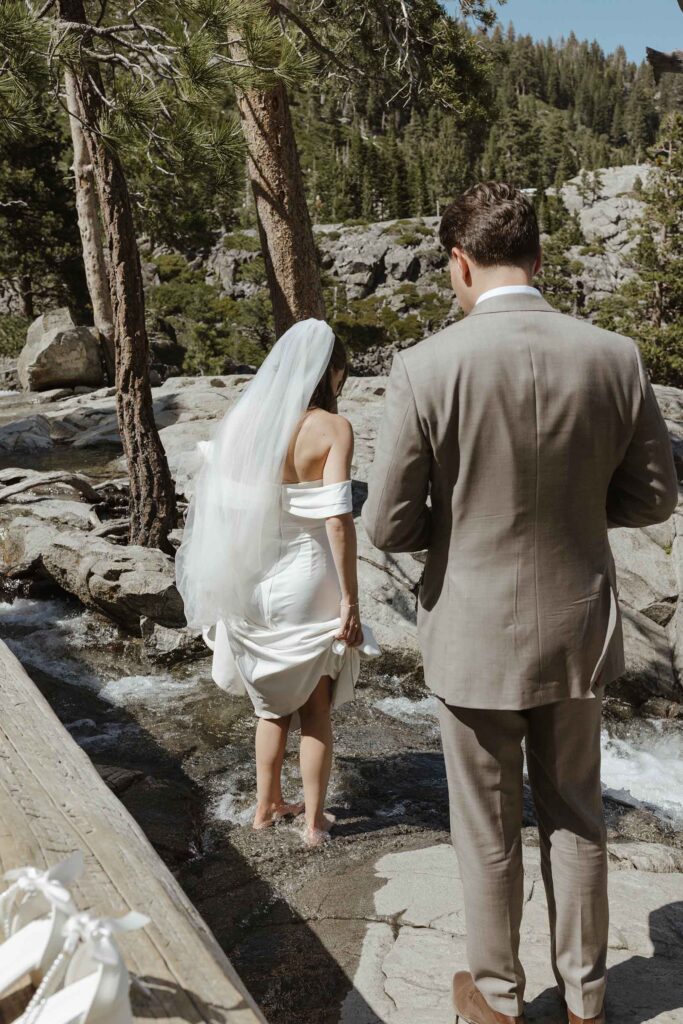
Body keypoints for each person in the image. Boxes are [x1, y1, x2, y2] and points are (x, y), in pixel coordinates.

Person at [362, 182, 678, 1024]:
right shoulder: (614, 355)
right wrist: (575, 511)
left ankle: (496, 1000)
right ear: (539, 259)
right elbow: (653, 499)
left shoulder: (425, 366)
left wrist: (460, 518)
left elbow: (389, 525)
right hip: (577, 621)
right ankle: (585, 1000)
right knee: (576, 811)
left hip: (470, 630)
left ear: (459, 263)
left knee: (486, 824)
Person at [176, 318, 379, 848]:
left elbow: (221, 499)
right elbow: (337, 519)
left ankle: (265, 807)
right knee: (315, 704)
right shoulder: (333, 429)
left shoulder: (246, 419)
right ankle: (313, 822)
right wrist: (352, 600)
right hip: (307, 574)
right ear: (330, 371)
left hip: (252, 572)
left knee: (269, 705)